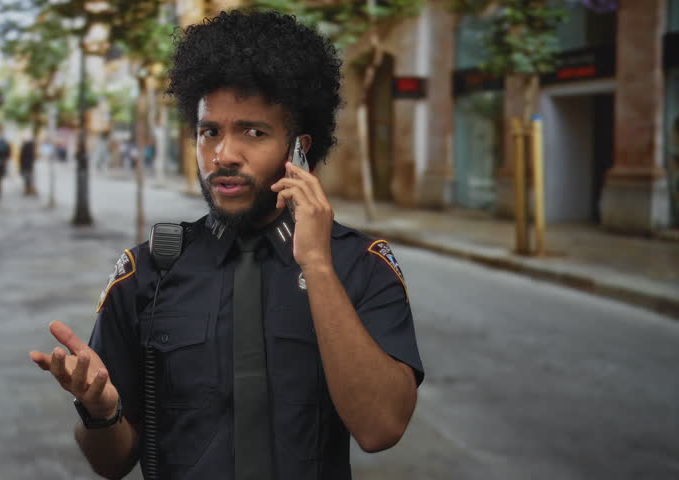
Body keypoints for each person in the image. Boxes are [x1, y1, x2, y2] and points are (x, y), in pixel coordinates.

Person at [30, 10, 423, 480]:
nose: (223, 155)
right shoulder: (146, 272)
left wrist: (316, 264)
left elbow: (381, 428)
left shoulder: (360, 265)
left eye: (253, 132)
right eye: (209, 131)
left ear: (299, 150)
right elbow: (110, 462)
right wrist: (101, 412)